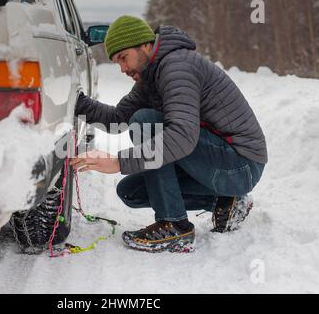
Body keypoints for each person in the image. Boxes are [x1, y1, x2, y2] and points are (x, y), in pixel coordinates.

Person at [70, 15, 267, 253]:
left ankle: (174, 225)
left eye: (124, 58)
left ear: (144, 45)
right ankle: (227, 200)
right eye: (116, 63)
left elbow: (183, 135)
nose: (123, 69)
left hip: (240, 165)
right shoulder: (151, 75)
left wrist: (118, 161)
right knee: (131, 192)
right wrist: (77, 103)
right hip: (222, 165)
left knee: (145, 122)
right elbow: (118, 118)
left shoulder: (177, 67)